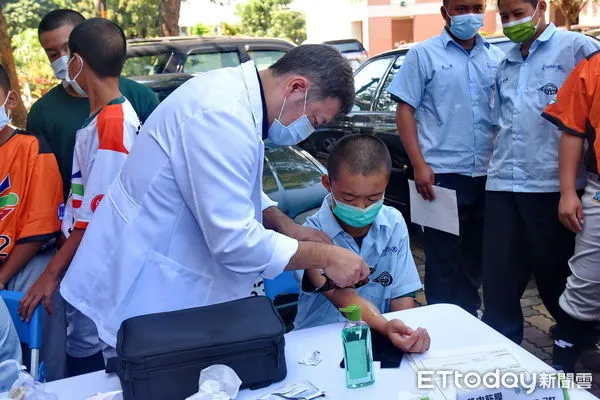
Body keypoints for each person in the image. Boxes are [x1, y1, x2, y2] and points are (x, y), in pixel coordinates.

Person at [58, 44, 370, 360]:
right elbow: (235, 242)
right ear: (296, 87)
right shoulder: (221, 116)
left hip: (164, 287)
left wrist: (285, 225)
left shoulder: (237, 98)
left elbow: (232, 185)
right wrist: (327, 257)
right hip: (142, 292)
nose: (307, 132)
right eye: (314, 120)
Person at [19, 18, 141, 377]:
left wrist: (51, 275)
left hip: (102, 265)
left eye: (66, 55)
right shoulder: (99, 120)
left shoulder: (113, 125)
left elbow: (96, 217)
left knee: (101, 356)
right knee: (84, 345)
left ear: (78, 62)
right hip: (86, 260)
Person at [481, 0, 600, 344]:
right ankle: (502, 346)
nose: (511, 22)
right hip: (503, 182)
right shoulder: (506, 60)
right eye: (505, 16)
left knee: (557, 274)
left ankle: (575, 337)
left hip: (552, 185)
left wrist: (571, 190)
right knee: (499, 275)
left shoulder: (578, 48)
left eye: (518, 14)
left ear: (541, 8)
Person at [387, 0, 504, 316]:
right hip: (437, 175)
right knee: (441, 256)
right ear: (445, 13)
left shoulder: (497, 57)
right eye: (461, 7)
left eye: (476, 7)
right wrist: (419, 165)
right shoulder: (423, 55)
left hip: (487, 173)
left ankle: (467, 313)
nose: (469, 14)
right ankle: (440, 317)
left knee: (475, 254)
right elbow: (405, 111)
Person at [294, 135, 430, 353]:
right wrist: (386, 326)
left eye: (373, 198)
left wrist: (404, 331)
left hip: (379, 339)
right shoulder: (310, 234)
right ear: (327, 184)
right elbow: (341, 295)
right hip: (319, 344)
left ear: (386, 185)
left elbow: (402, 292)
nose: (361, 207)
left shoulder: (393, 222)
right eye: (349, 198)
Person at [27, 9, 158, 201]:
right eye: (53, 54)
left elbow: (159, 164)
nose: (63, 59)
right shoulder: (42, 112)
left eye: (68, 49)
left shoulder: (139, 97)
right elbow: (44, 183)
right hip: (75, 219)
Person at [0, 65, 65, 380]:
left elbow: (39, 227)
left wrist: (1, 277)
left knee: (41, 359)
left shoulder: (32, 147)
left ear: (9, 100)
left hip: (24, 264)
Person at [541, 52, 600, 372]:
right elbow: (573, 131)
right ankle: (563, 373)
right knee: (585, 284)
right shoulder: (593, 67)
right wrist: (567, 192)